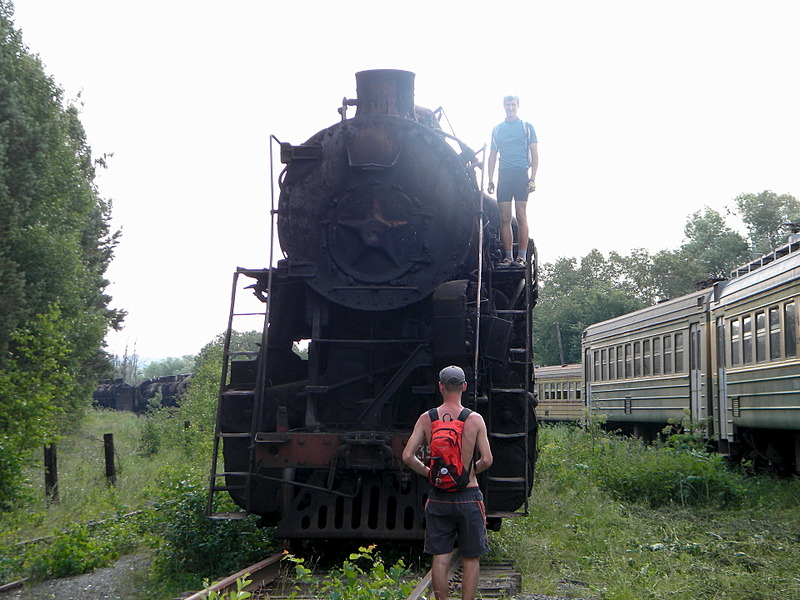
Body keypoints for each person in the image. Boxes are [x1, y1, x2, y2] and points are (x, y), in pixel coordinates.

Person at [402, 366, 494, 600]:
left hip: (438, 495)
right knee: (471, 558)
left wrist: (429, 473)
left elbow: (407, 457)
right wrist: (466, 474)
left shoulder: (427, 418)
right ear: (464, 386)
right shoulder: (474, 419)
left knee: (440, 557)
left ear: (440, 386)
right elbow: (487, 459)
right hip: (469, 494)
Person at [486, 95, 538, 267]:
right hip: (504, 175)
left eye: (513, 104)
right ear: (503, 106)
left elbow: (535, 154)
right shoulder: (497, 129)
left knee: (521, 215)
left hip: (521, 174)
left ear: (518, 106)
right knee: (505, 217)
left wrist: (532, 178)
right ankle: (508, 257)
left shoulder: (526, 127)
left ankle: (521, 256)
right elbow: (493, 155)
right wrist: (490, 179)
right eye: (507, 105)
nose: (510, 107)